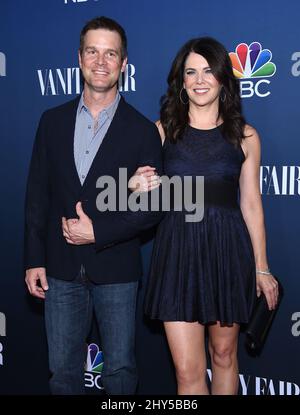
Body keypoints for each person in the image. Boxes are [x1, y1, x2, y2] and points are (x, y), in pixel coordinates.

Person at [132, 37, 279, 395]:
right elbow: (133, 193)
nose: (200, 80)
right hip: (178, 253)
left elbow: (251, 205)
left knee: (224, 354)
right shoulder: (161, 131)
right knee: (186, 372)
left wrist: (261, 267)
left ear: (223, 79)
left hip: (227, 252)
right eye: (191, 72)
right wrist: (134, 185)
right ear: (181, 82)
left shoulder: (245, 136)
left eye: (208, 71)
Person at [24, 16, 162, 395]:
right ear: (80, 58)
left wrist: (97, 231)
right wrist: (34, 258)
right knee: (63, 373)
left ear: (124, 63)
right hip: (59, 269)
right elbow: (38, 195)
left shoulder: (142, 130)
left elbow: (152, 208)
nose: (101, 61)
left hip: (117, 269)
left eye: (111, 53)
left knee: (119, 371)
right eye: (92, 51)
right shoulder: (51, 122)